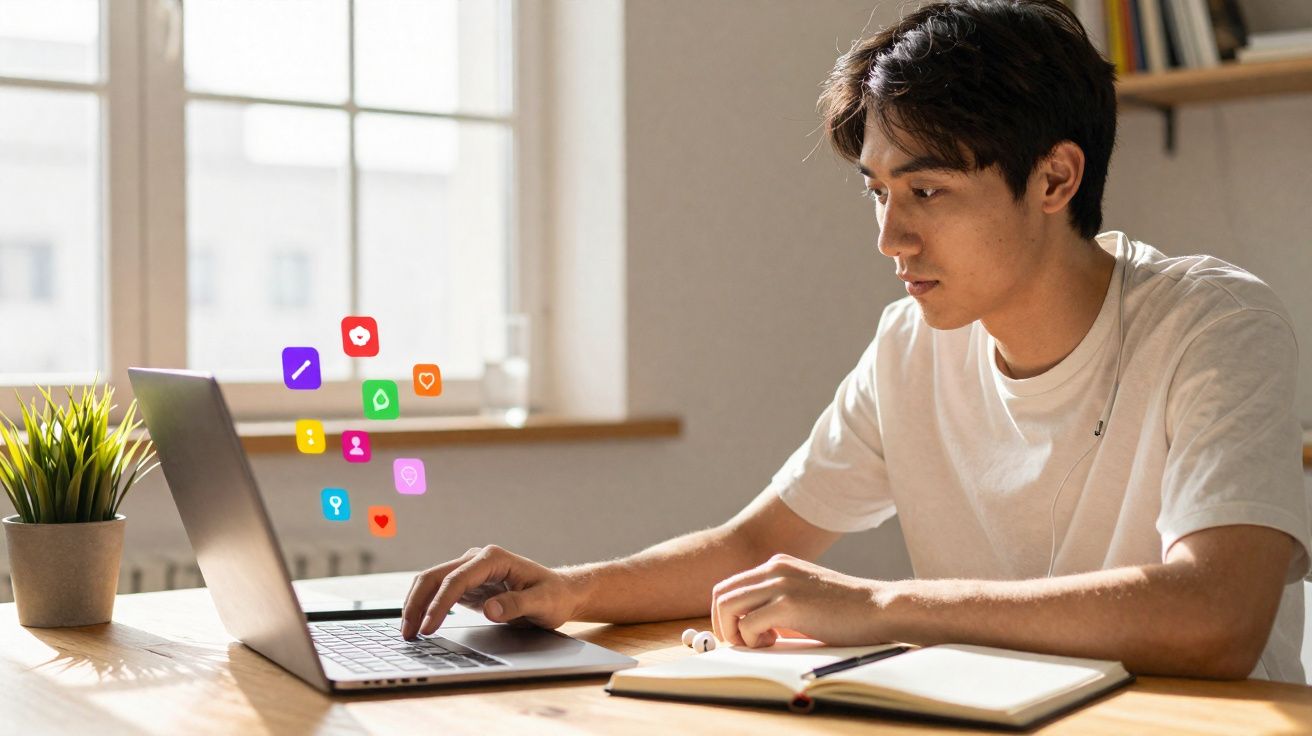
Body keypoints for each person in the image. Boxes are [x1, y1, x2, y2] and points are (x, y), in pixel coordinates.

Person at [401, 0, 1310, 682]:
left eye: (925, 192)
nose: (890, 238)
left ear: (1055, 178)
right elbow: (756, 540)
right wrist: (569, 589)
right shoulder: (910, 346)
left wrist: (878, 607)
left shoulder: (1214, 324)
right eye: (877, 192)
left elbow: (1216, 615)